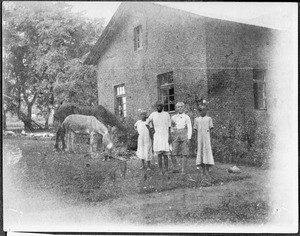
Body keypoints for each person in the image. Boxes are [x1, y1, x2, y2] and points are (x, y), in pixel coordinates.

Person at [146, 102, 171, 175]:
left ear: (162, 107)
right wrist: (151, 129)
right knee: (159, 154)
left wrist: (169, 135)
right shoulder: (153, 114)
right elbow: (147, 122)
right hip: (157, 136)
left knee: (166, 154)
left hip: (165, 135)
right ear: (156, 107)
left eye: (160, 106)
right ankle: (160, 170)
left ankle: (166, 170)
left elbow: (169, 126)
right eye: (157, 106)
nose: (158, 107)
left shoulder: (166, 114)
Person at [170, 102, 192, 175]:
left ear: (184, 108)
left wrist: (189, 137)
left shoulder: (186, 117)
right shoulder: (173, 117)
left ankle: (183, 170)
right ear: (176, 108)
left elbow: (189, 127)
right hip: (176, 135)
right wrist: (172, 132)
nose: (180, 108)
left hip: (184, 133)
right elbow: (171, 127)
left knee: (184, 153)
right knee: (173, 152)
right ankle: (175, 168)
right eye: (178, 107)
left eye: (181, 107)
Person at [193, 105, 214, 175]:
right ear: (199, 112)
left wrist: (211, 138)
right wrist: (196, 139)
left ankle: (207, 169)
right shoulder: (197, 119)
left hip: (207, 139)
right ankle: (203, 170)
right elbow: (195, 130)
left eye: (205, 110)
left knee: (207, 153)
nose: (203, 112)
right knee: (201, 153)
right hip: (200, 139)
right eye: (201, 110)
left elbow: (211, 129)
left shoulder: (209, 119)